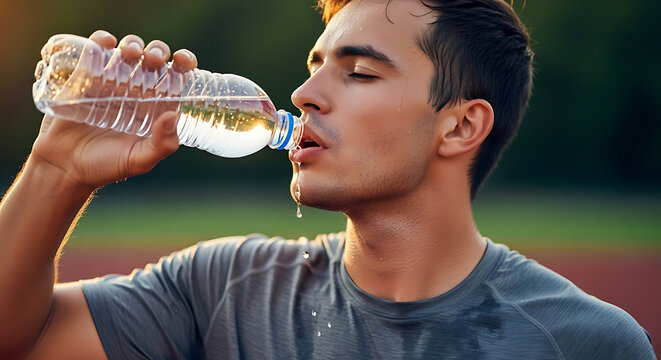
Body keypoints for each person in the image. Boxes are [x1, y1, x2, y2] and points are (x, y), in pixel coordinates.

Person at [0, 0, 656, 359]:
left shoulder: (585, 343)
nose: (304, 93)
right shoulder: (222, 290)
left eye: (359, 72)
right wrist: (57, 171)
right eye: (314, 65)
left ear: (460, 128)